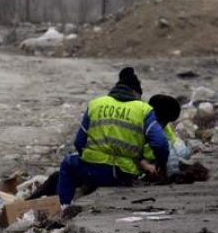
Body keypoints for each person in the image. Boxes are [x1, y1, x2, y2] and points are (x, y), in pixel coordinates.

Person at [55, 67, 170, 206]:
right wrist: (161, 165)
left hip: (94, 171)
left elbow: (79, 143)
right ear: (134, 92)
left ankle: (64, 207)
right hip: (124, 176)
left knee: (68, 163)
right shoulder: (143, 109)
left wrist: (90, 159)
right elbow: (160, 143)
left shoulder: (95, 104)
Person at [140, 94, 182, 177]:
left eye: (166, 123)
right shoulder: (141, 125)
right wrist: (144, 164)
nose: (163, 126)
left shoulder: (165, 132)